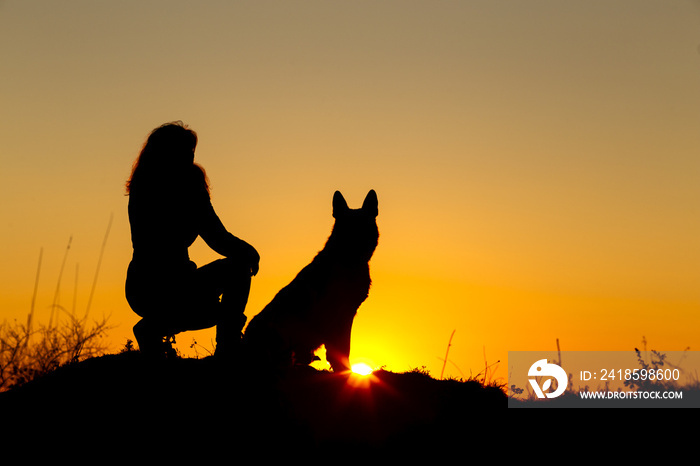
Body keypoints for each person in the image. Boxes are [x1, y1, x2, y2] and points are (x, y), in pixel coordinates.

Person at [125, 121, 259, 359]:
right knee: (237, 272)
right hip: (158, 285)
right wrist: (248, 253)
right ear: (167, 153)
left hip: (149, 286)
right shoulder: (177, 185)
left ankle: (154, 327)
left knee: (213, 311)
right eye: (184, 151)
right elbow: (216, 236)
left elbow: (214, 233)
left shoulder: (145, 184)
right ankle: (227, 350)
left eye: (191, 152)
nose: (189, 157)